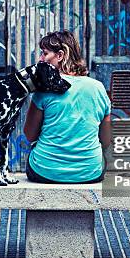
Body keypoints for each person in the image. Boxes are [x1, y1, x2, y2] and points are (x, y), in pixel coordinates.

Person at [23, 30, 112, 183]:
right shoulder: (98, 88)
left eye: (44, 53)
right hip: (90, 172)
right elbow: (106, 140)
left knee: (34, 153)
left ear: (60, 55)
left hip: (45, 172)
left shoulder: (44, 89)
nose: (40, 59)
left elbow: (30, 135)